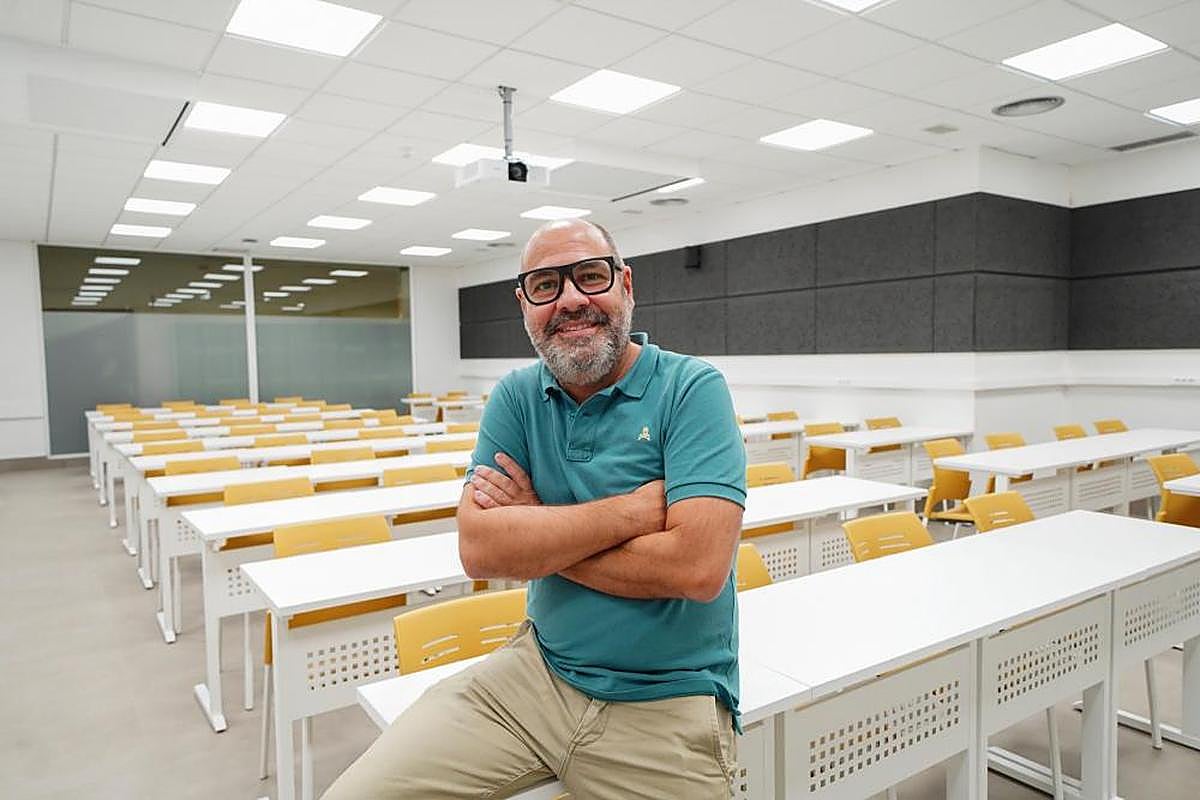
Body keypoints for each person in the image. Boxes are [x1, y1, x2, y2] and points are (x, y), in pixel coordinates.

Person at [323, 219, 746, 799]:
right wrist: (631, 513)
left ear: (625, 285)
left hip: (664, 700)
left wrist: (539, 531)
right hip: (532, 677)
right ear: (524, 304)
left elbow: (695, 569)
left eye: (590, 276)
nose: (570, 299)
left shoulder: (692, 389)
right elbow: (481, 550)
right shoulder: (516, 398)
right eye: (546, 285)